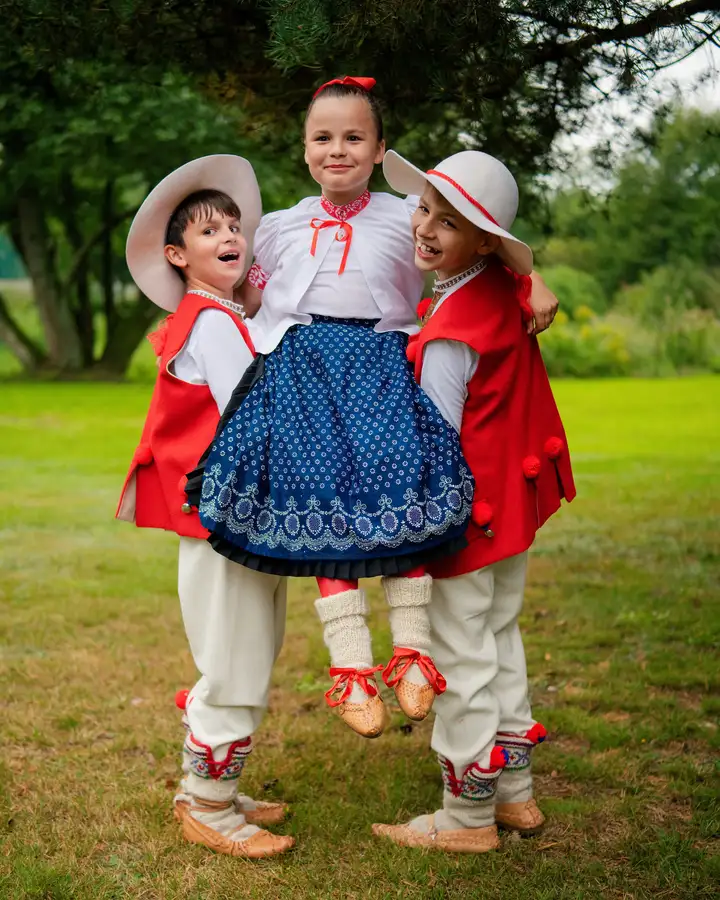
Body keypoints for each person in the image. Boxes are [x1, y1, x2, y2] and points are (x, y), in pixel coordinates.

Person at [370, 149, 576, 853]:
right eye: (424, 209)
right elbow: (517, 278)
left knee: (461, 656)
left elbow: (435, 441)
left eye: (448, 222)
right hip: (508, 509)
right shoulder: (496, 288)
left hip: (464, 518)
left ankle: (466, 815)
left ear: (484, 242)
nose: (425, 228)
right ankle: (514, 792)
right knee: (499, 637)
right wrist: (529, 275)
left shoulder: (452, 329)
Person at [117, 155, 293, 858]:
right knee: (234, 655)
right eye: (209, 230)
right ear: (177, 254)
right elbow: (253, 413)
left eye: (235, 227)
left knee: (249, 645)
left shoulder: (222, 316)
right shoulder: (213, 324)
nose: (230, 237)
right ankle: (208, 805)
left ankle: (215, 783)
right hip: (221, 519)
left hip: (232, 515)